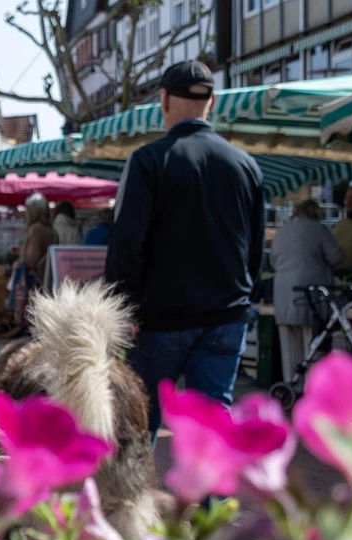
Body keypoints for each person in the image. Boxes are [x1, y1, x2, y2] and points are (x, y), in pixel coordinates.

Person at [104, 60, 265, 442]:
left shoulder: (148, 161)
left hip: (160, 318)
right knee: (213, 424)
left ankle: (135, 502)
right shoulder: (246, 166)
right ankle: (214, 502)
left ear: (163, 100)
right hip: (226, 313)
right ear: (213, 101)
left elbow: (126, 242)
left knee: (140, 421)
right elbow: (255, 249)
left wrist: (122, 308)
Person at [268, 200, 346, 383]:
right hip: (310, 295)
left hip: (283, 294)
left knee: (289, 345)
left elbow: (272, 262)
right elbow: (337, 258)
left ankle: (291, 384)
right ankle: (310, 388)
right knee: (312, 345)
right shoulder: (318, 229)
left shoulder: (281, 232)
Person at [20, 193, 58, 289]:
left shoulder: (36, 229)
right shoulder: (51, 229)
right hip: (48, 280)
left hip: (36, 281)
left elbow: (32, 259)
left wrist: (20, 262)